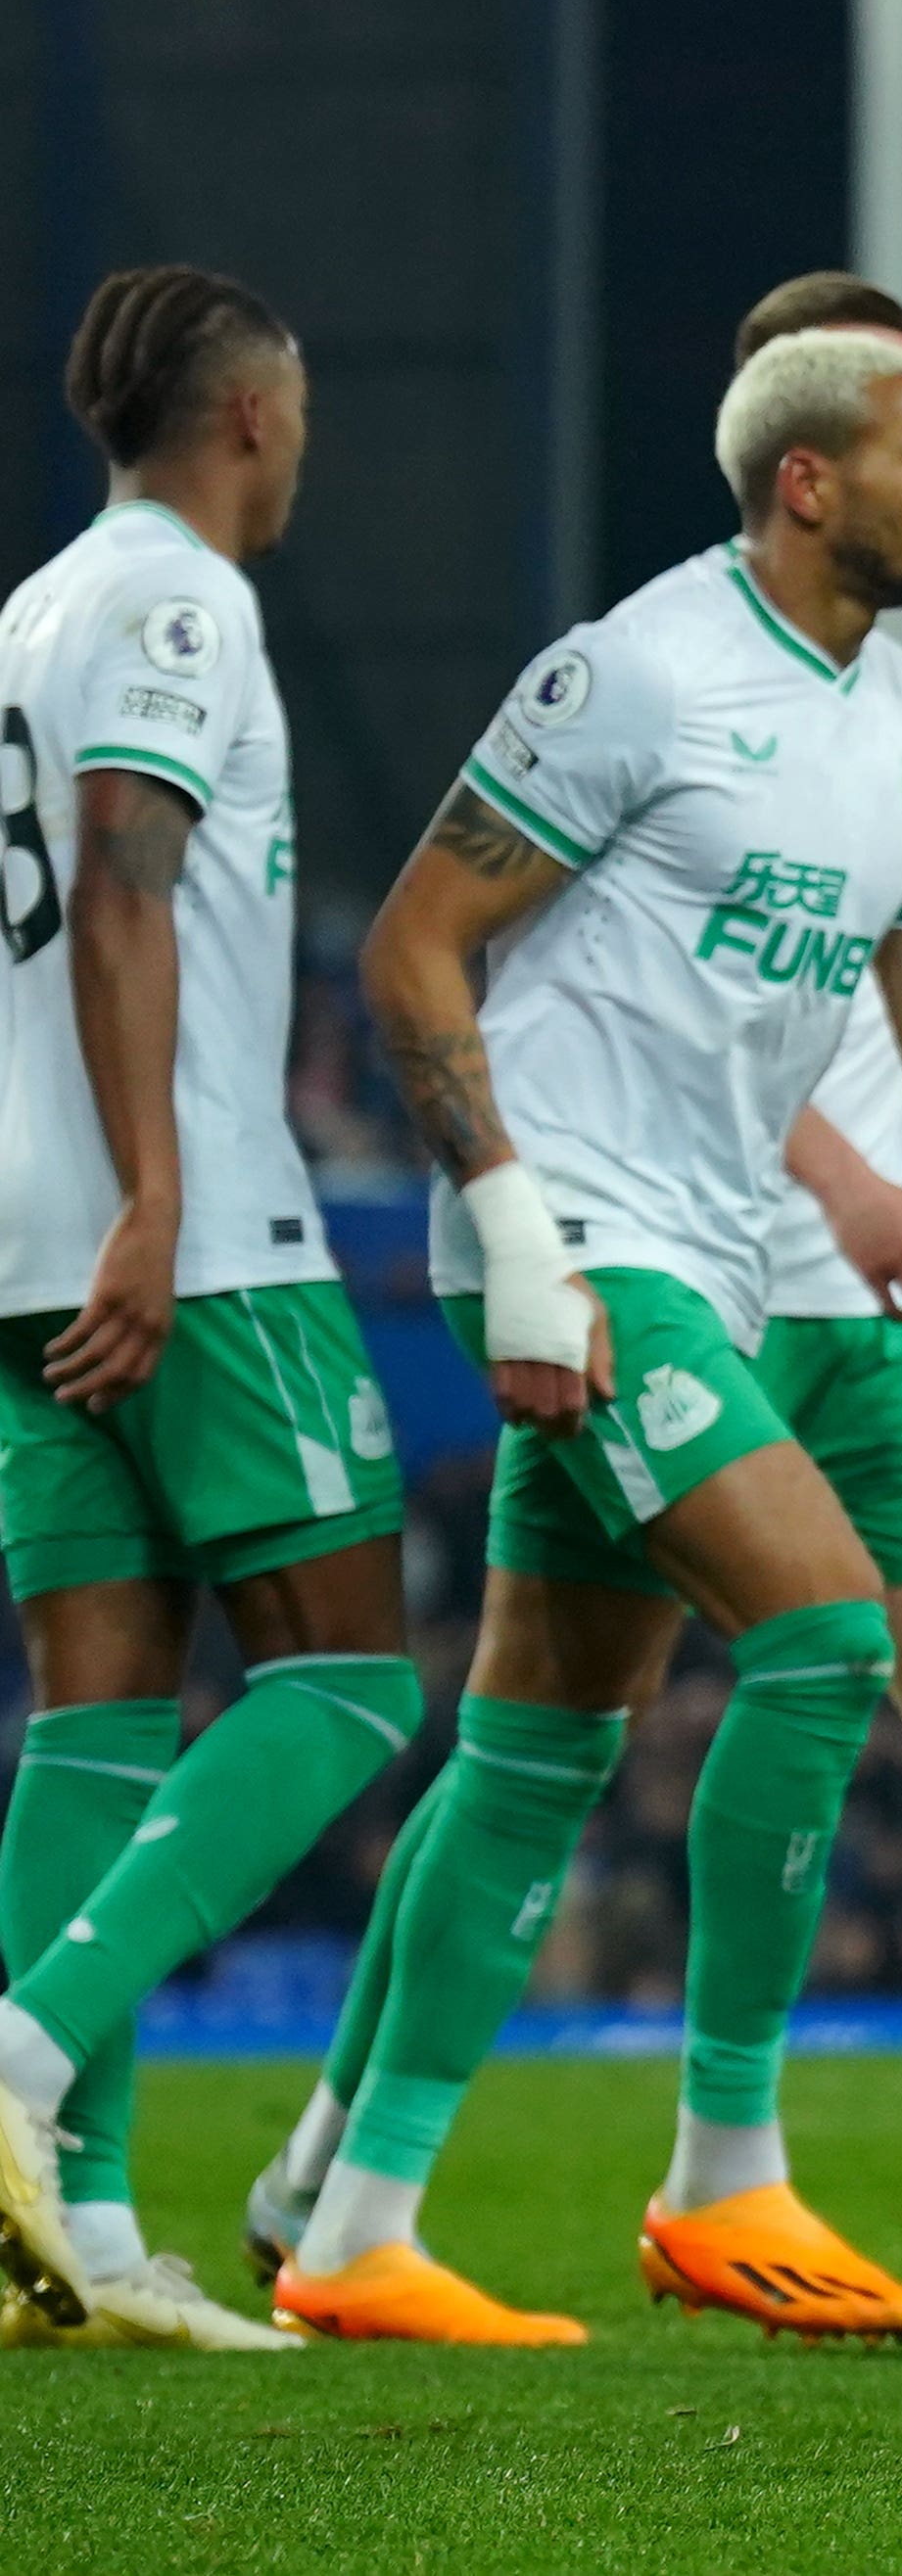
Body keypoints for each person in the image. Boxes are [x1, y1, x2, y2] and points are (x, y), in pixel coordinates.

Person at [250, 279, 902, 2330]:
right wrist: (523, 1234)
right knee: (827, 1640)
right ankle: (723, 2166)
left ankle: (351, 2214)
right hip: (593, 1241)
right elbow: (407, 951)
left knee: (542, 1742)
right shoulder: (635, 674)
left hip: (719, 1260)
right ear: (808, 479)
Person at [0, 268, 414, 2350]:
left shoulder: (27, 610)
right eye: (303, 413)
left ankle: (72, 2224)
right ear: (253, 413)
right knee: (350, 1677)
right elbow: (126, 877)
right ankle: (18, 2053)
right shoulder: (179, 606)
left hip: (18, 1234)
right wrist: (160, 1196)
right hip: (189, 1228)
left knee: (96, 1711)